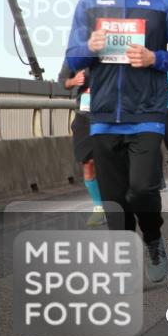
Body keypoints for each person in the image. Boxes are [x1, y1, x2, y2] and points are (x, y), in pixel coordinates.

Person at [64, 0, 168, 283]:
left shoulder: (164, 4)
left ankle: (153, 239)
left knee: (143, 190)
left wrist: (155, 58)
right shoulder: (90, 3)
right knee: (115, 200)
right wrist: (89, 48)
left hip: (147, 112)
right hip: (104, 114)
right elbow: (72, 58)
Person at [57, 63, 105, 227]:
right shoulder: (75, 56)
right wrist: (73, 81)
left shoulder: (113, 52)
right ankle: (99, 208)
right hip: (84, 115)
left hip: (108, 115)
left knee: (110, 162)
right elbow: (62, 81)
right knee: (88, 162)